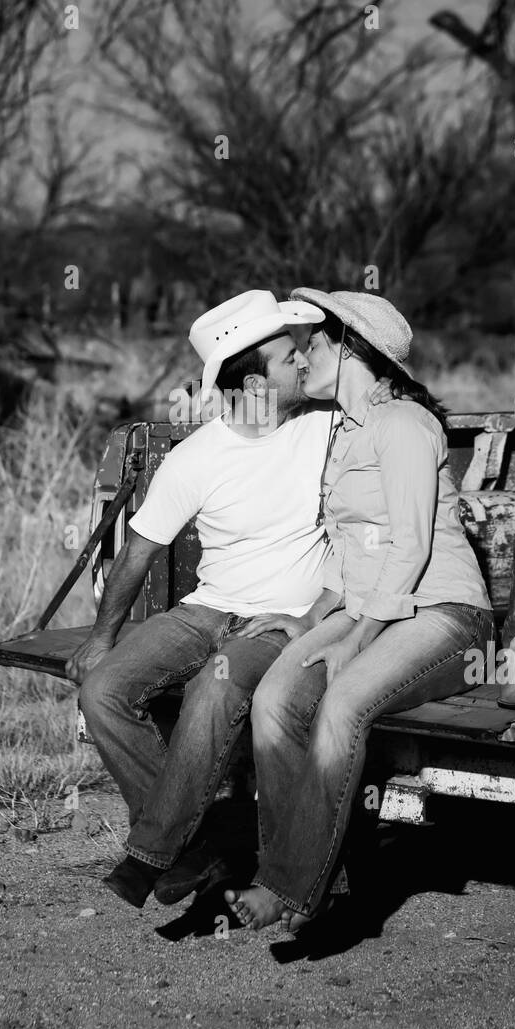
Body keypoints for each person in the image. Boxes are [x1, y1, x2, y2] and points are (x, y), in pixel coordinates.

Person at [66, 289, 391, 910]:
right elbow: (138, 550)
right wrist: (101, 636)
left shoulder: (326, 428)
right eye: (285, 355)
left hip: (280, 624)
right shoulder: (195, 457)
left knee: (214, 689)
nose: (301, 362)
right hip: (204, 611)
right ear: (250, 382)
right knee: (102, 690)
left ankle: (153, 852)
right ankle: (191, 850)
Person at [225, 289, 494, 933]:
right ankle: (326, 879)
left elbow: (411, 544)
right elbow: (349, 552)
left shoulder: (403, 424)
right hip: (369, 605)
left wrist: (358, 638)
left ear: (351, 347)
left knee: (343, 701)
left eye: (314, 343)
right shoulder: (348, 433)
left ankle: (286, 885)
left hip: (443, 612)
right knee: (274, 700)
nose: (302, 356)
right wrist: (311, 619)